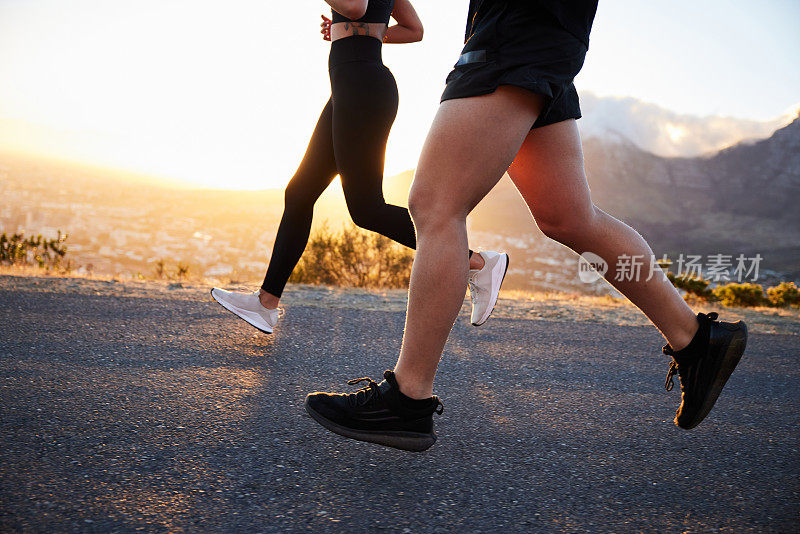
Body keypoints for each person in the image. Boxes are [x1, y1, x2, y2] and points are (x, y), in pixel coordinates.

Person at [304, 0, 748, 452]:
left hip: (515, 32)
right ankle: (695, 341)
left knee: (435, 206)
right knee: (570, 216)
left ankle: (407, 397)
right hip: (544, 36)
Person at [210, 0, 509, 334]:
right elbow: (413, 30)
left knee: (366, 208)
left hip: (361, 89)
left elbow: (354, 6)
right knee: (299, 193)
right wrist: (360, 31)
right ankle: (266, 304)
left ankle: (478, 262)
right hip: (352, 88)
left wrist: (353, 24)